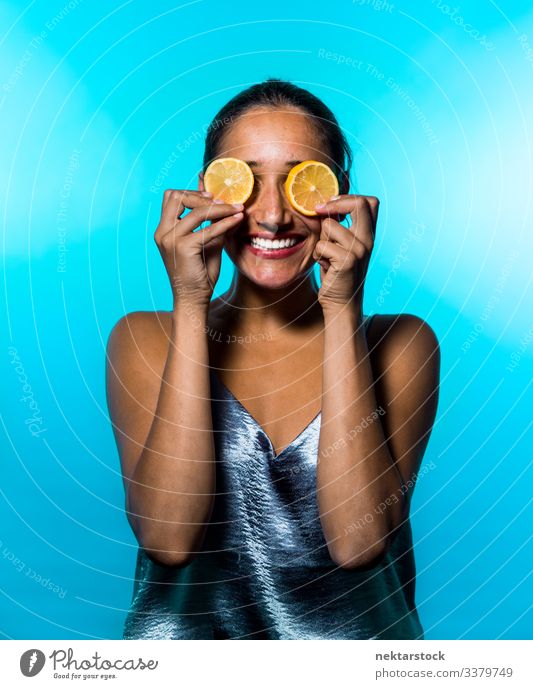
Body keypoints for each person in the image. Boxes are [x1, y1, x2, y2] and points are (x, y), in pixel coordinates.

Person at [105, 78, 440, 640]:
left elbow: (358, 545)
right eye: (246, 182)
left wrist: (342, 308)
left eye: (300, 184)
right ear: (207, 193)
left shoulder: (402, 344)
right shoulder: (144, 339)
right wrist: (190, 304)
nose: (273, 216)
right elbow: (168, 538)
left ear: (342, 196)